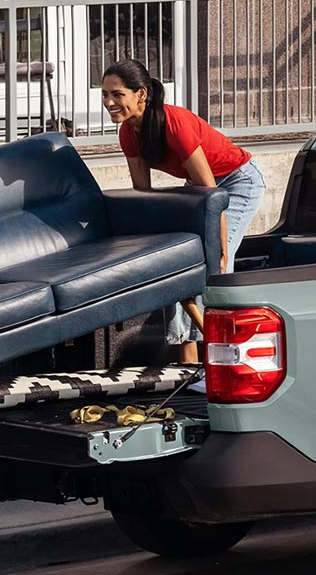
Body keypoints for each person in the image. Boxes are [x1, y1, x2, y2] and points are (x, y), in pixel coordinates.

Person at [101, 59, 267, 364]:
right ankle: (187, 361)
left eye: (117, 94)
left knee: (212, 268)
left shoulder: (174, 123)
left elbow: (212, 192)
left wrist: (217, 248)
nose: (109, 102)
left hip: (237, 181)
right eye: (105, 95)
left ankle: (222, 358)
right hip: (201, 190)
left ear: (141, 94)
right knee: (180, 264)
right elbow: (143, 195)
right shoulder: (128, 133)